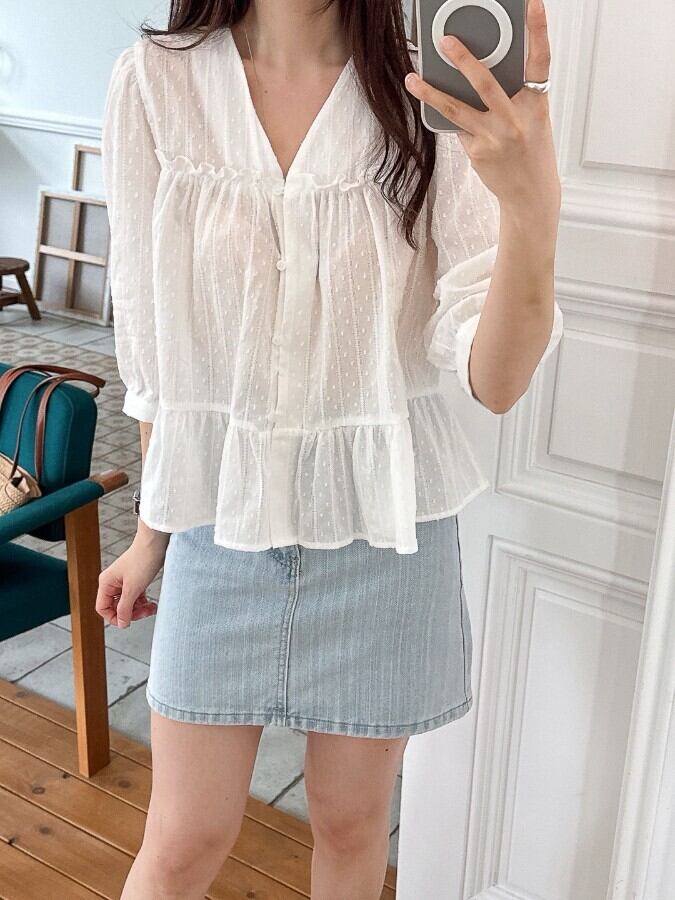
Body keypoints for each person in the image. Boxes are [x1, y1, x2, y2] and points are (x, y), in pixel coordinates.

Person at [97, 0, 563, 896]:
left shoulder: (426, 85)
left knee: (351, 826)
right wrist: (152, 534)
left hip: (384, 534)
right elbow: (155, 351)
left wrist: (531, 210)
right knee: (185, 838)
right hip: (219, 524)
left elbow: (495, 379)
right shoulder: (154, 83)